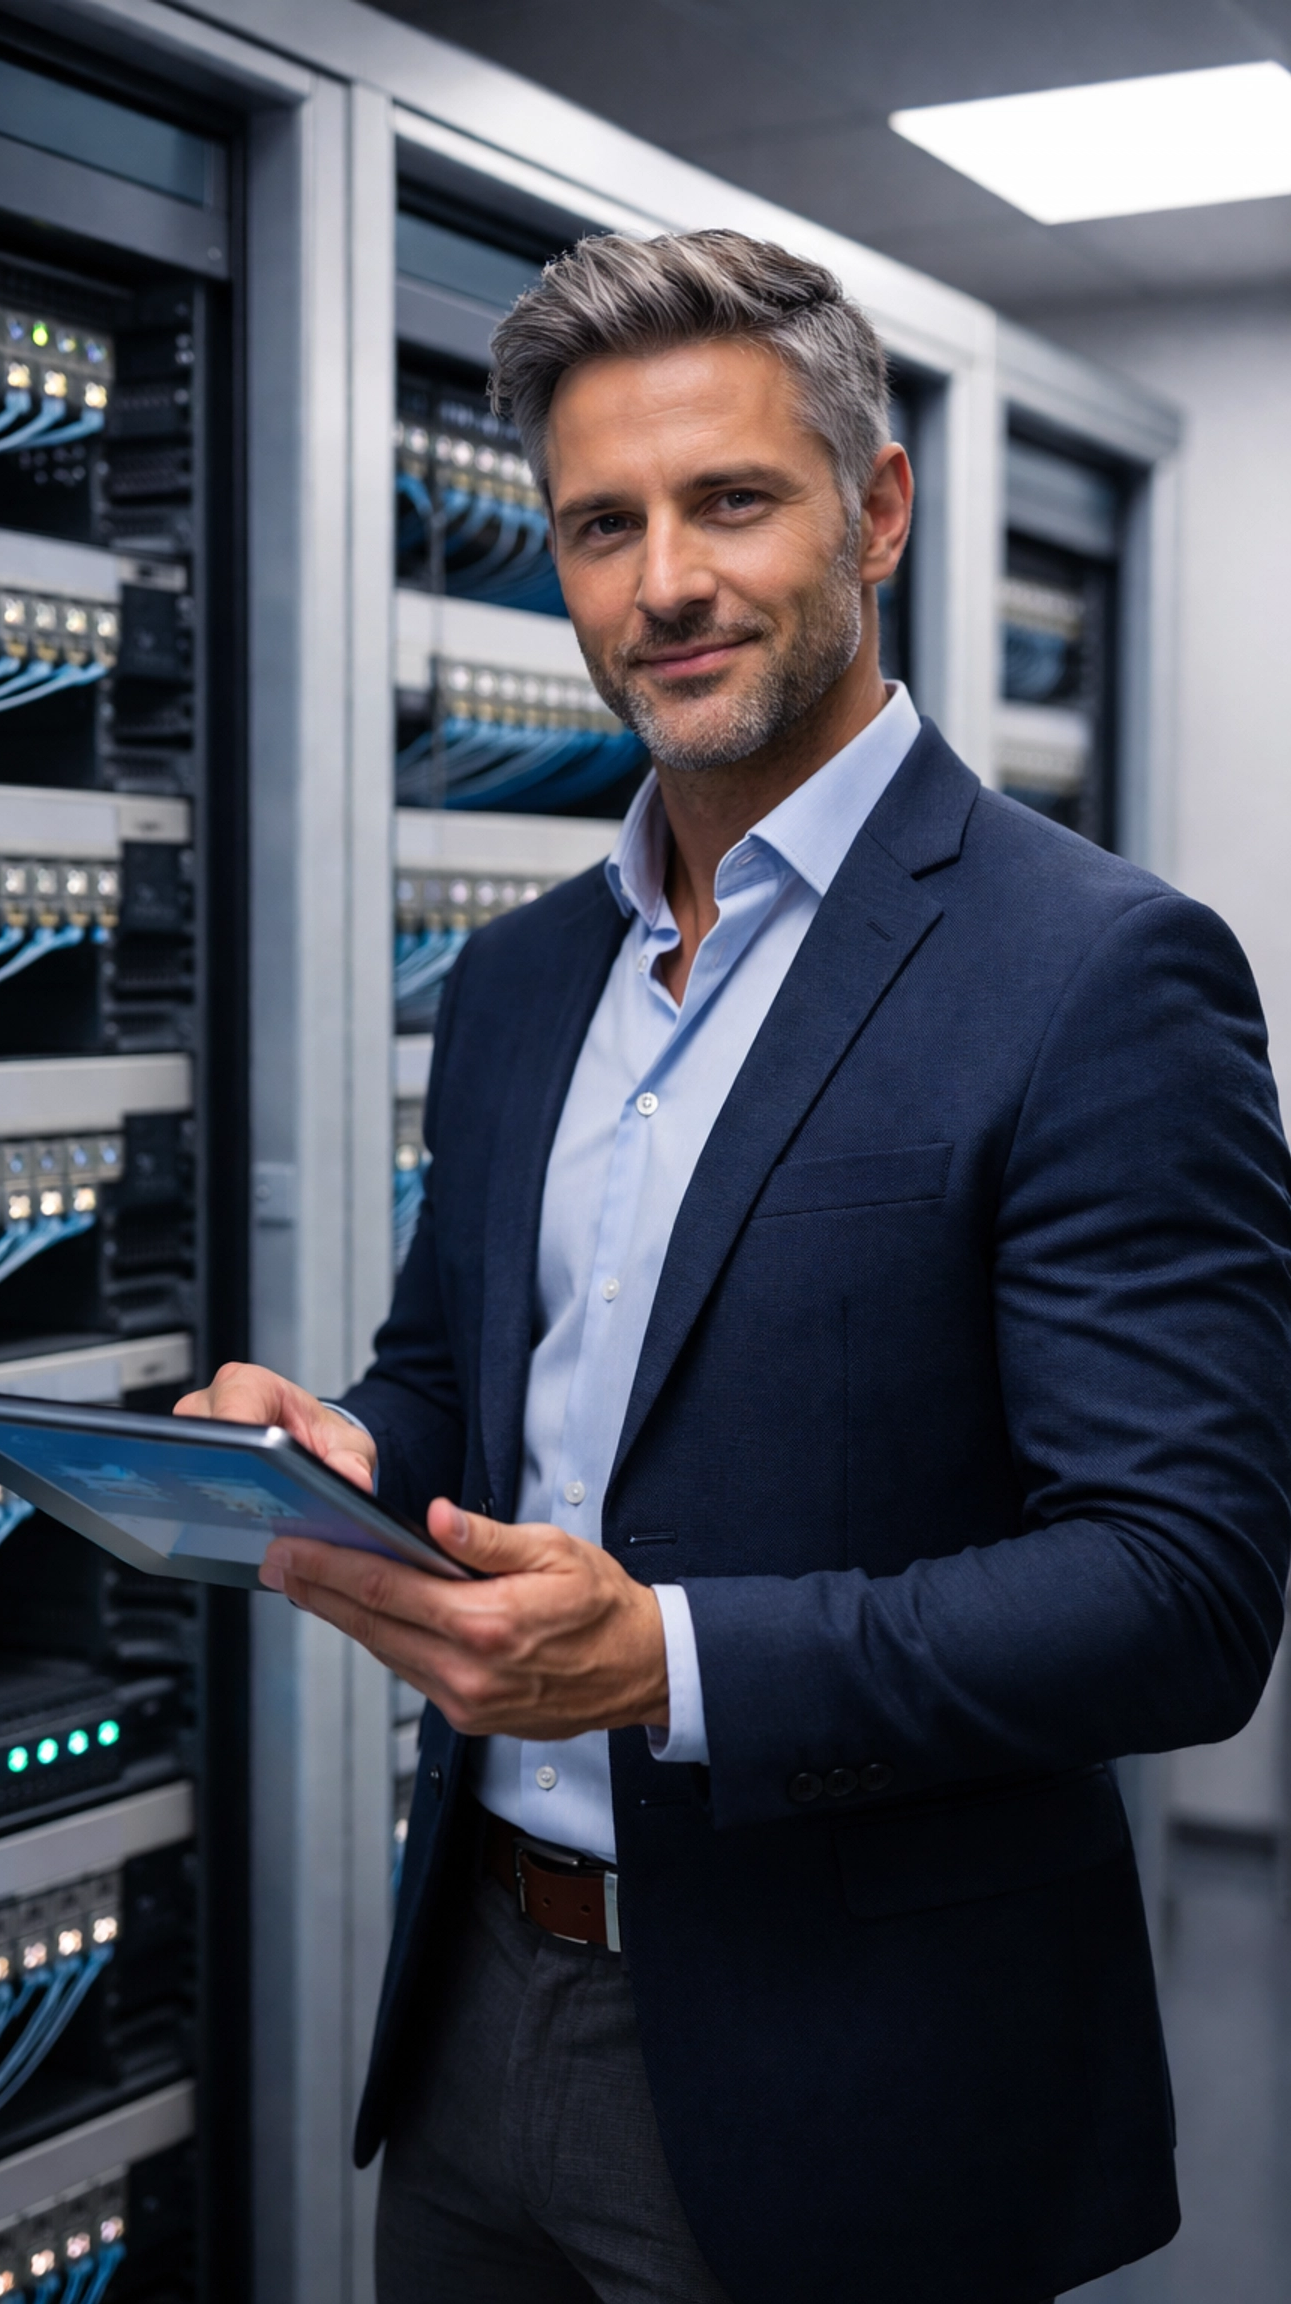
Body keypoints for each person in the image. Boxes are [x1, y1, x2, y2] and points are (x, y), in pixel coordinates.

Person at [179, 230, 1291, 2304]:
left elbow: (1183, 1590)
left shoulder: (1094, 973)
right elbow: (459, 1383)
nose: (664, 581)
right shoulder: (522, 985)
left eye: (731, 500)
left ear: (873, 510)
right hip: (475, 2002)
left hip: (849, 2074)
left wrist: (671, 1662)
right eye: (603, 523)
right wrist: (343, 1446)